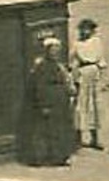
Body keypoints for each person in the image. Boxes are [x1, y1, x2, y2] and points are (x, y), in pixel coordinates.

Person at [18, 36, 76, 167]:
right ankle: (42, 158)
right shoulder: (42, 67)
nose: (55, 53)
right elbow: (39, 87)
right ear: (47, 51)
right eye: (52, 50)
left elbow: (66, 81)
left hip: (61, 103)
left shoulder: (59, 66)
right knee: (45, 131)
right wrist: (44, 105)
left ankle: (59, 157)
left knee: (60, 131)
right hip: (49, 103)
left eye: (57, 50)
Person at [69, 18, 106, 150]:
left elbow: (101, 60)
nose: (85, 32)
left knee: (94, 105)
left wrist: (101, 77)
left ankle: (94, 138)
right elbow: (70, 59)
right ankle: (77, 138)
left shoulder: (96, 42)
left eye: (88, 29)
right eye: (83, 29)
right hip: (82, 72)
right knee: (80, 104)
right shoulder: (77, 44)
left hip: (94, 71)